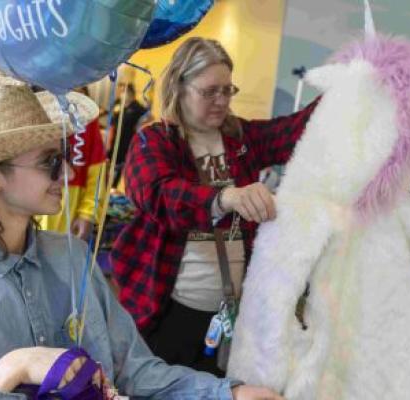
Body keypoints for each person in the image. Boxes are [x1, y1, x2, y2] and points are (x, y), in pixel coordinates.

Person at [0, 76, 283, 399]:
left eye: (63, 157)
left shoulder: (72, 260)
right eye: (50, 162)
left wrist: (229, 392)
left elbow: (135, 371)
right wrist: (12, 369)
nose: (68, 173)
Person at [110, 37, 319, 375]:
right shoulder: (155, 139)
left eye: (227, 90)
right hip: (167, 312)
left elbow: (296, 131)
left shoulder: (241, 137)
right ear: (180, 85)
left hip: (230, 315)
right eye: (209, 92)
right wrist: (225, 197)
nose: (221, 101)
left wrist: (350, 88)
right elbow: (159, 195)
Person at [110, 82, 149, 187]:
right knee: (109, 166)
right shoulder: (118, 103)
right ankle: (107, 187)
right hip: (113, 140)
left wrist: (141, 125)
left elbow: (149, 116)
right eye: (121, 91)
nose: (122, 94)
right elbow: (112, 120)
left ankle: (113, 187)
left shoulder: (137, 107)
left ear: (131, 93)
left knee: (119, 167)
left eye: (124, 91)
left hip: (126, 141)